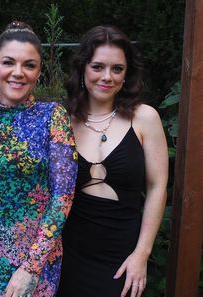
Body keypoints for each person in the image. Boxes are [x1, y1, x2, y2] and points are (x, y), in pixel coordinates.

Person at [0, 21, 78, 297]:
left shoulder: (53, 116)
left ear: (38, 71)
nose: (18, 73)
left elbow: (63, 195)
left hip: (37, 259)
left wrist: (31, 267)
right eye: (8, 62)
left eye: (29, 65)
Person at [57, 25, 168, 297]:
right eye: (98, 67)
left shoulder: (144, 118)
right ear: (83, 69)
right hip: (68, 257)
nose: (107, 77)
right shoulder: (62, 121)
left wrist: (142, 254)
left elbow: (157, 187)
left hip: (122, 259)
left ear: (126, 73)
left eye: (117, 69)